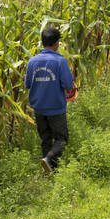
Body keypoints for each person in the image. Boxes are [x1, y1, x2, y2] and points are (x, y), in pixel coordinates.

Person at [25, 27, 76, 173]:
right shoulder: (60, 61)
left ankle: (49, 172)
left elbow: (28, 84)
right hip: (55, 108)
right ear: (56, 43)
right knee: (62, 139)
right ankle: (49, 160)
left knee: (45, 139)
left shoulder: (32, 61)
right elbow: (67, 84)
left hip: (39, 108)